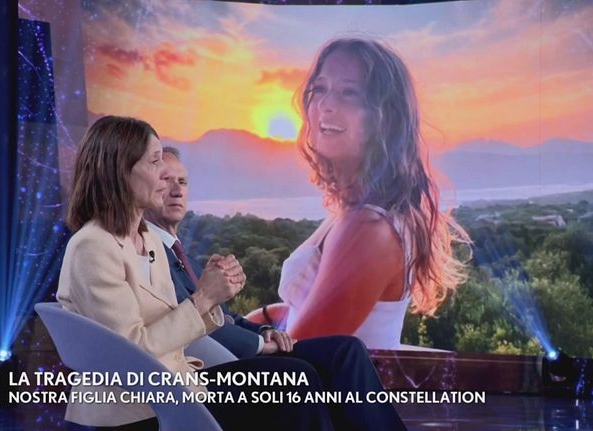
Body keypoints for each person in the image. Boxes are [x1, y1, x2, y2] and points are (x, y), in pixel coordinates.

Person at [56, 116, 334, 431]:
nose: (164, 177)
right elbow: (131, 352)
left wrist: (212, 296)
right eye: (155, 162)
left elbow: (169, 323)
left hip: (178, 385)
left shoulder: (148, 239)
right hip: (136, 407)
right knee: (292, 381)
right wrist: (203, 298)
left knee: (294, 376)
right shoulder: (93, 246)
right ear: (121, 171)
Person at [144, 146, 406, 430]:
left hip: (240, 350)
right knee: (299, 375)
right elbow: (194, 323)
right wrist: (260, 345)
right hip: (208, 367)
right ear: (145, 187)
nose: (177, 191)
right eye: (166, 180)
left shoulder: (185, 257)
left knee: (346, 350)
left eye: (182, 182)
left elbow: (227, 317)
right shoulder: (150, 254)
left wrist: (263, 331)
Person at [247, 37, 471, 350]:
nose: (326, 104)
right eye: (320, 89)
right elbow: (323, 314)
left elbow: (299, 357)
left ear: (385, 117)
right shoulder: (358, 211)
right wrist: (261, 317)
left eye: (349, 93)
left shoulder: (368, 229)